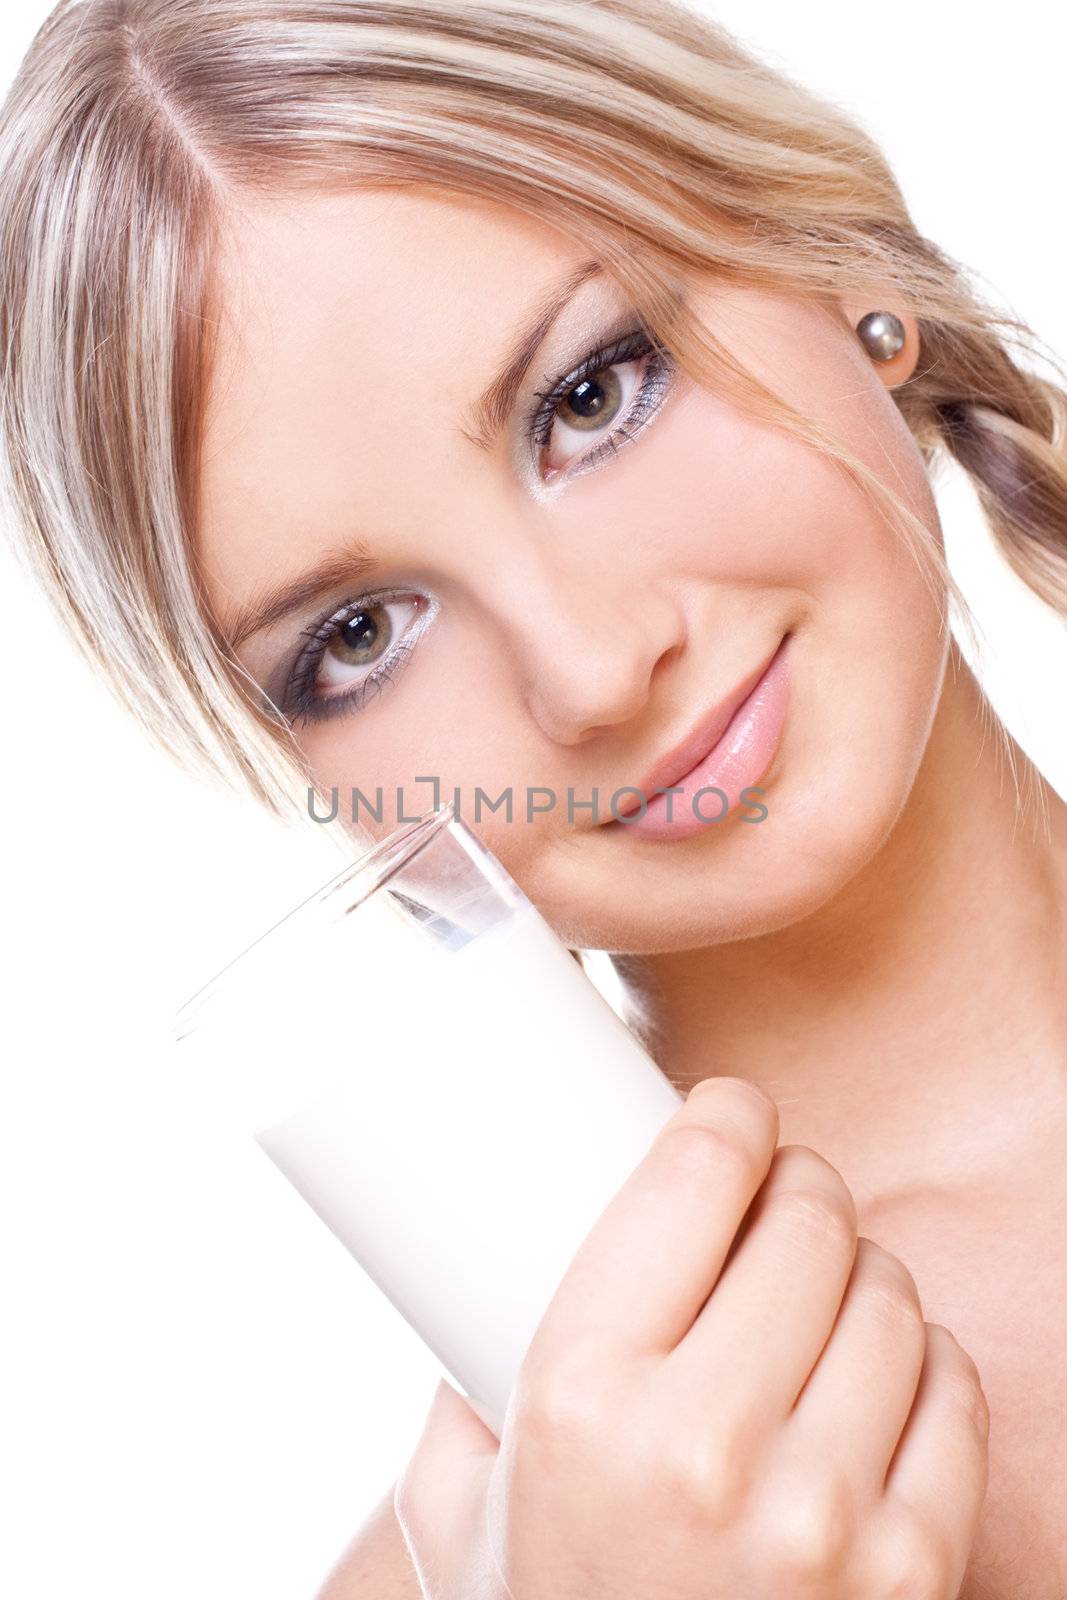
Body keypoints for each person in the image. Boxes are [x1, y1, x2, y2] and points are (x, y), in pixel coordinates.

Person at [1, 1, 1064, 1594]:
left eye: (589, 397)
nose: (587, 672)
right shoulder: (482, 1575)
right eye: (355, 639)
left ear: (837, 254)